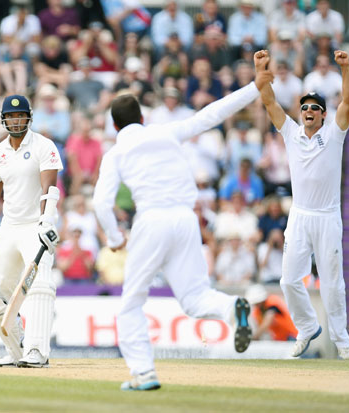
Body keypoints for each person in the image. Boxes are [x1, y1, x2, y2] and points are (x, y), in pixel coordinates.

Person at [92, 74, 269, 390]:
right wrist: (255, 85)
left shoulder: (115, 153)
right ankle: (231, 307)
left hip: (152, 220)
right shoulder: (166, 132)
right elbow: (212, 114)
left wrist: (116, 239)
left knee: (132, 302)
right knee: (195, 298)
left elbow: (101, 205)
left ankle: (143, 372)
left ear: (115, 126)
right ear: (143, 118)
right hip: (187, 220)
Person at [253, 49, 349, 360]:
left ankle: (342, 343)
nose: (309, 111)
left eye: (315, 108)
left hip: (327, 217)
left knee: (332, 286)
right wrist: (260, 68)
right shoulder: (291, 133)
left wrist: (346, 67)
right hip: (299, 216)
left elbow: (348, 101)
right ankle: (307, 327)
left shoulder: (335, 134)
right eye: (305, 107)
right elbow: (269, 101)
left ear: (323, 114)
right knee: (287, 280)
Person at [0, 94, 63, 368]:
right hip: (9, 229)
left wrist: (47, 220)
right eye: (11, 116)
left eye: (20, 116)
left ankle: (37, 351)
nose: (16, 120)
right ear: (4, 119)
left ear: (28, 118)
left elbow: (50, 187)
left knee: (40, 285)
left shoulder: (45, 146)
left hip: (36, 227)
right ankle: (16, 351)